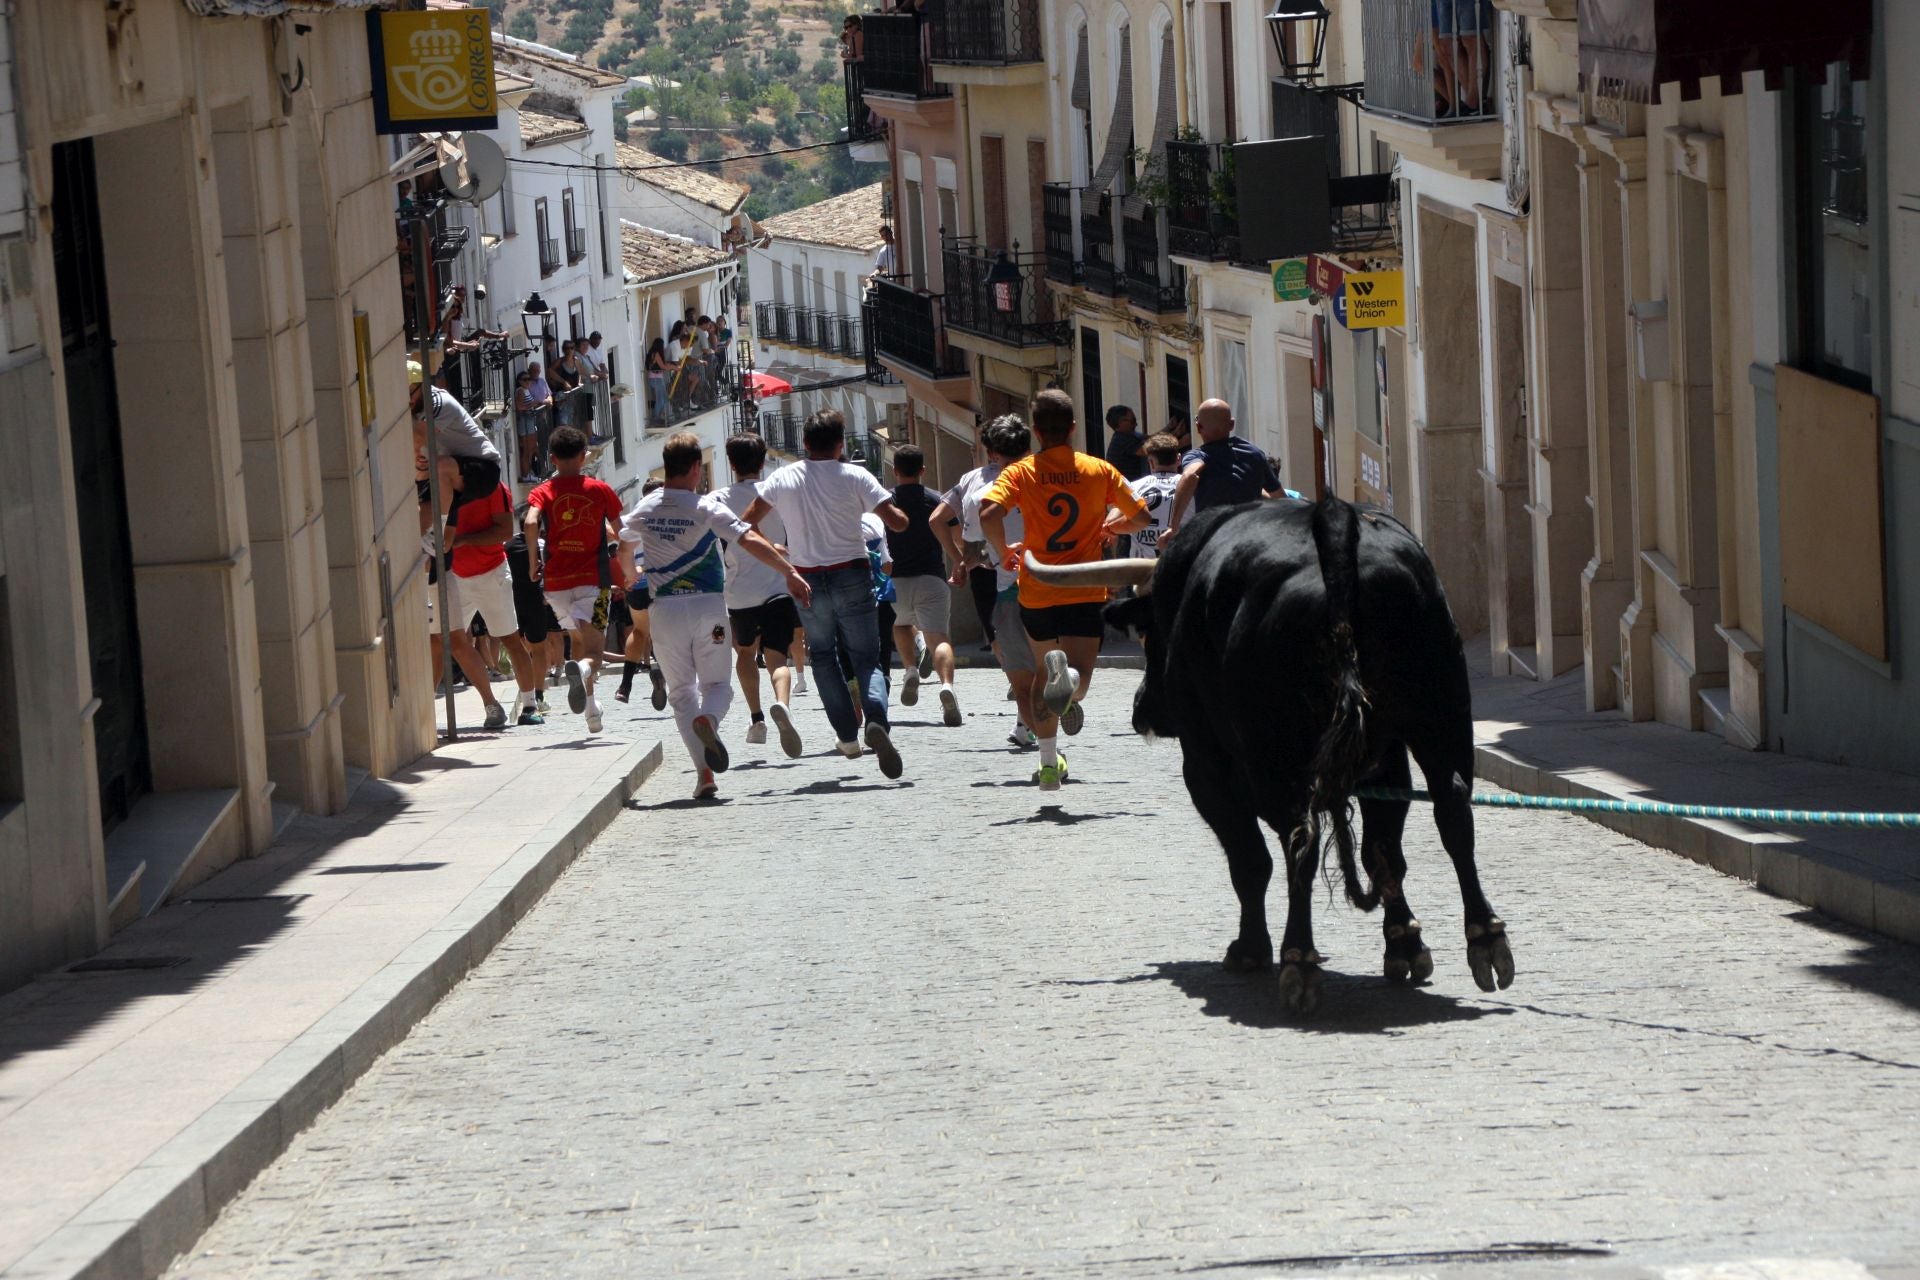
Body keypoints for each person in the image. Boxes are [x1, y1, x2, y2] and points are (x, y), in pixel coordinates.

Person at [620, 433, 811, 800]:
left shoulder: (646, 507)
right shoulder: (706, 507)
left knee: (680, 693)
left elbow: (623, 543)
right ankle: (710, 721)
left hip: (665, 612)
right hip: (709, 608)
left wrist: (630, 575)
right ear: (696, 468)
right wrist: (787, 570)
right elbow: (749, 539)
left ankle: (704, 773)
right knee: (717, 687)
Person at [980, 388, 1150, 791]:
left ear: (1036, 431)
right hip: (1085, 586)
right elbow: (1141, 516)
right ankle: (1070, 678)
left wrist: (1004, 552)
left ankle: (1047, 764)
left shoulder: (1021, 472)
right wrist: (1112, 527)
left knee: (1042, 676)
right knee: (1082, 677)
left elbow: (988, 512)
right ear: (1073, 428)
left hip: (1036, 587)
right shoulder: (1099, 470)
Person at [743, 409, 909, 778]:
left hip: (806, 580)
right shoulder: (855, 475)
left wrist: (776, 550)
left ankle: (847, 737)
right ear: (841, 444)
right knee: (866, 658)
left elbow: (745, 524)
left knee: (822, 656)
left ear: (804, 444)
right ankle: (876, 720)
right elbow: (896, 521)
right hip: (851, 572)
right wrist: (897, 515)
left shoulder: (784, 477)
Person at [933, 416, 1036, 747]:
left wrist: (961, 561)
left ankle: (1028, 720)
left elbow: (939, 521)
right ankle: (1056, 692)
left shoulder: (974, 482)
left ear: (990, 451)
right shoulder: (1046, 473)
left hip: (1002, 576)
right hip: (1054, 572)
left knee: (1010, 650)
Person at [523, 427, 624, 736]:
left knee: (578, 640)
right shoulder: (600, 489)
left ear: (552, 458)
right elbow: (622, 531)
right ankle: (581, 672)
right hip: (593, 582)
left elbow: (529, 521)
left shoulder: (543, 491)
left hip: (555, 585)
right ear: (584, 456)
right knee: (592, 651)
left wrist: (533, 563)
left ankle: (592, 710)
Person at [712, 433, 806, 758]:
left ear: (730, 463)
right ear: (763, 461)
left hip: (738, 591)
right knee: (778, 657)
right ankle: (782, 703)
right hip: (778, 584)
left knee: (745, 654)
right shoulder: (776, 494)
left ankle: (757, 719)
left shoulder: (719, 498)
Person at [439, 474, 544, 729]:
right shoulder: (442, 485)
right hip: (454, 575)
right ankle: (491, 705)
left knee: (510, 639)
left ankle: (530, 704)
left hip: (491, 573)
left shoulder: (493, 487)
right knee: (454, 641)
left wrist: (461, 540)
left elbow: (504, 531)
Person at [885, 444, 961, 726]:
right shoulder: (937, 500)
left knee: (900, 625)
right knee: (938, 638)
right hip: (931, 578)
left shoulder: (885, 502)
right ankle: (946, 687)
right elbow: (956, 535)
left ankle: (910, 670)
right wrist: (961, 562)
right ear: (923, 471)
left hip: (896, 580)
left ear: (895, 471)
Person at [1159, 397, 1286, 549]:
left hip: (1213, 540)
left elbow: (1190, 476)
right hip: (1251, 538)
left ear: (1198, 427)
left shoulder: (1197, 456)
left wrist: (1173, 528)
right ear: (1232, 424)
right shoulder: (1254, 454)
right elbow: (1279, 497)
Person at [410, 359, 503, 536]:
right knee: (417, 525)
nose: (408, 399)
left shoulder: (439, 403)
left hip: (485, 470)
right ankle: (430, 539)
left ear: (422, 386)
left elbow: (420, 435)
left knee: (440, 465)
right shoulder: (416, 406)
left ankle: (438, 530)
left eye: (411, 392)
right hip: (454, 472)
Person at [615, 478, 668, 710]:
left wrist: (628, 575)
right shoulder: (668, 515)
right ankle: (661, 672)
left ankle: (625, 685)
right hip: (663, 582)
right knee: (666, 634)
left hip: (637, 583)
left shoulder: (631, 518)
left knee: (639, 631)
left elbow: (618, 545)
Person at [1126, 433, 1184, 559]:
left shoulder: (1134, 487)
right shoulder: (1190, 486)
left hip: (1141, 568)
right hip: (1178, 562)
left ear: (1151, 462)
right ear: (1179, 459)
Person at [512, 370, 545, 482]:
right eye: (525, 379)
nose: (528, 381)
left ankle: (530, 472)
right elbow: (519, 407)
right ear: (519, 381)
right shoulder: (520, 391)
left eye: (529, 379)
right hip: (525, 424)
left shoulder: (526, 390)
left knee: (531, 449)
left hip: (529, 424)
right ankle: (526, 475)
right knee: (527, 451)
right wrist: (533, 404)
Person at [1102, 405, 1146, 482]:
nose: (1136, 424)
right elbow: (1148, 450)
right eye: (1133, 421)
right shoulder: (1122, 439)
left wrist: (1168, 429)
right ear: (1121, 422)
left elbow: (1151, 439)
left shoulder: (1125, 436)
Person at [645, 337, 671, 428]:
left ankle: (659, 416)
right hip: (656, 379)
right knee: (661, 399)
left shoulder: (651, 353)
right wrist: (674, 367)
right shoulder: (656, 354)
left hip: (654, 378)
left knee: (662, 398)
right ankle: (656, 418)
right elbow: (663, 366)